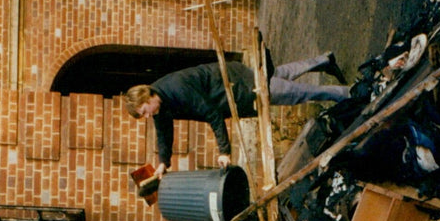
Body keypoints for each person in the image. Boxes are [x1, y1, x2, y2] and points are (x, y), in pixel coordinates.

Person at [124, 53, 350, 176]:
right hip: (232, 84)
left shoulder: (177, 88)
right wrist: (163, 162)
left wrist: (224, 151)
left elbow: (211, 113)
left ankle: (348, 94)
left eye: (144, 112)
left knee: (295, 94)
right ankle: (324, 60)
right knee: (278, 76)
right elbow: (163, 132)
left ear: (148, 97)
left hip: (238, 86)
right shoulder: (159, 105)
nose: (147, 117)